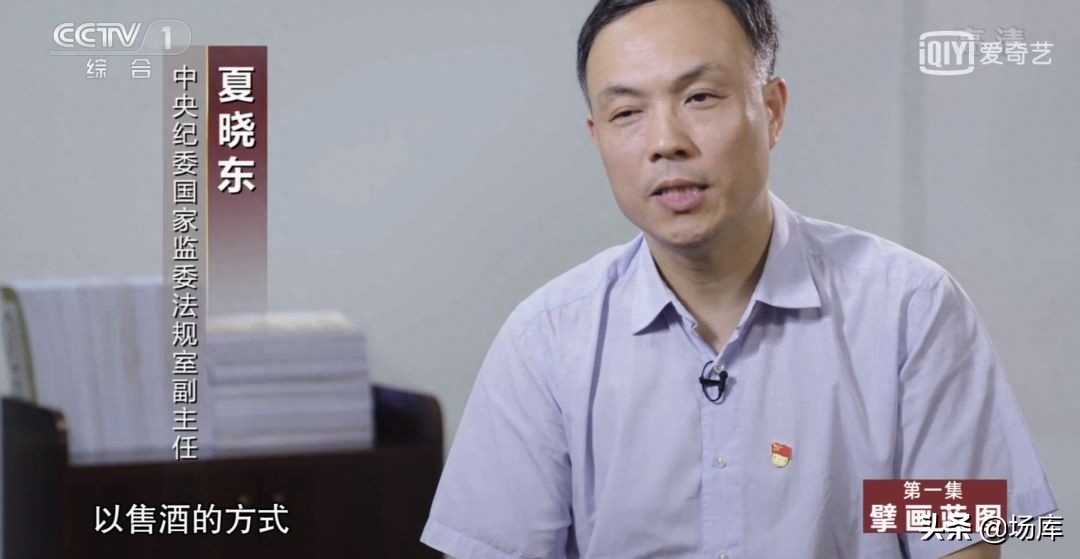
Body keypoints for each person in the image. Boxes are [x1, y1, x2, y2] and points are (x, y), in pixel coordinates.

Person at [420, 0, 1057, 557]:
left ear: (772, 111)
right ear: (597, 138)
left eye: (699, 97)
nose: (665, 142)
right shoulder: (546, 340)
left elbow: (957, 547)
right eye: (627, 112)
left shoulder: (909, 312)